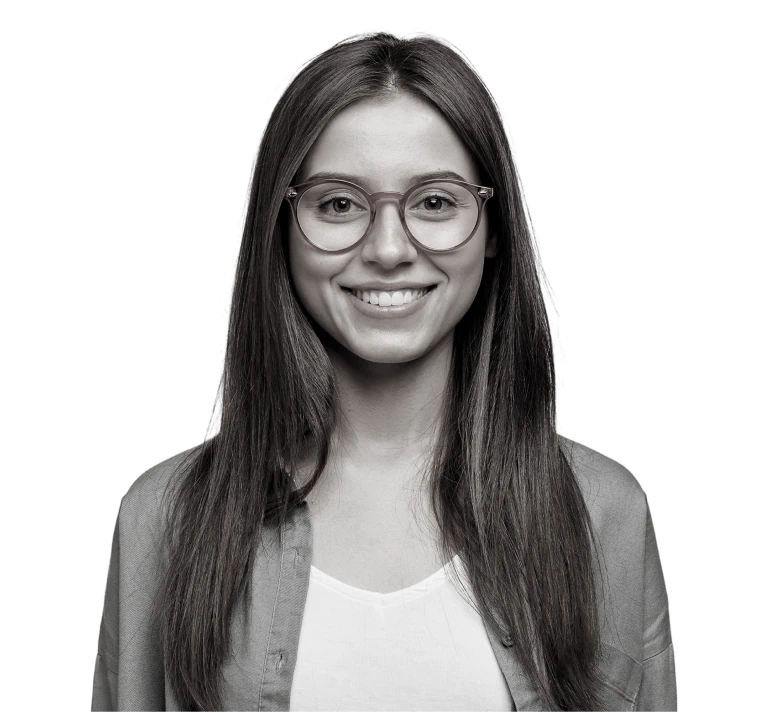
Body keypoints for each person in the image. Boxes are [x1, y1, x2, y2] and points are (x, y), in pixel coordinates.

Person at [90, 28, 677, 712]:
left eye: (436, 202)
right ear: (281, 228)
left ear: (493, 230)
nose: (390, 249)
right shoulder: (164, 518)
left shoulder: (604, 512)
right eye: (339, 204)